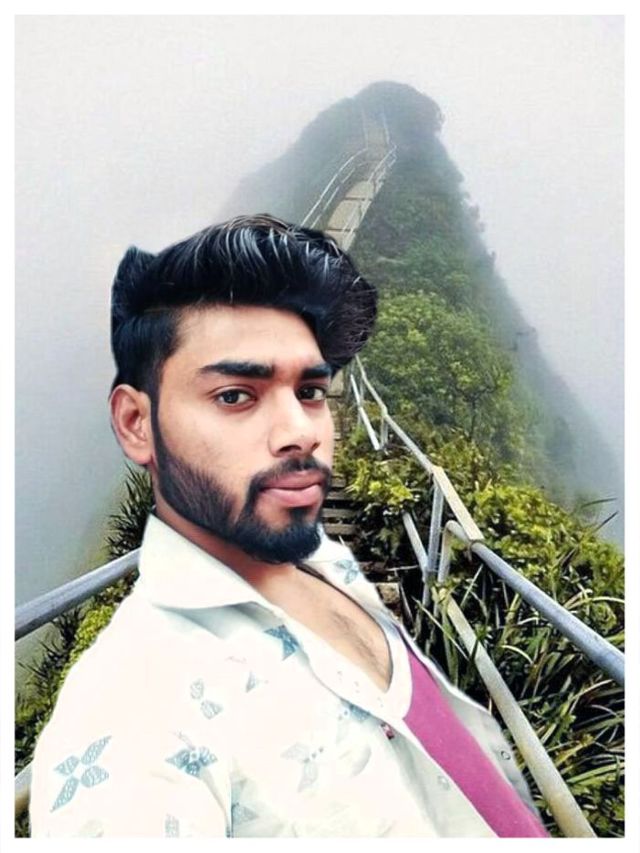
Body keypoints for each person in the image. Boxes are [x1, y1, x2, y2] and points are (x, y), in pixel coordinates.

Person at [29, 214, 547, 837]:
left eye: (310, 392)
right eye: (235, 396)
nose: (301, 432)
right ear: (137, 423)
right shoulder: (133, 711)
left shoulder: (322, 560)